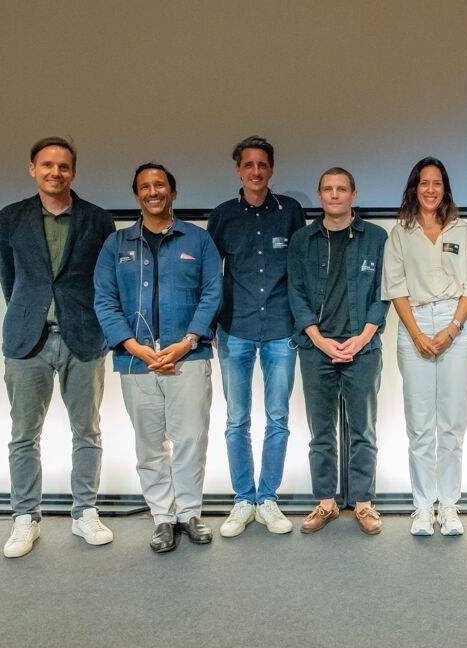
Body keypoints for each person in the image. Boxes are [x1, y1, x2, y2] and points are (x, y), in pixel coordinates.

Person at [0, 136, 116, 558]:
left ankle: (85, 512)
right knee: (23, 436)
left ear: (73, 172)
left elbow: (106, 281)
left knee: (88, 431)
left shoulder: (98, 220)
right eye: (47, 165)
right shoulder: (11, 217)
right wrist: (32, 312)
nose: (55, 172)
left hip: (84, 338)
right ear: (33, 169)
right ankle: (25, 517)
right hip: (28, 340)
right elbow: (9, 279)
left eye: (63, 166)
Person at [94, 163, 222, 554]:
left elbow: (212, 293)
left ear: (173, 192)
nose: (153, 192)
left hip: (189, 356)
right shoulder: (116, 245)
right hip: (136, 362)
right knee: (150, 446)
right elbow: (104, 299)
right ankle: (163, 519)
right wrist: (134, 347)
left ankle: (189, 513)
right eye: (145, 187)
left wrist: (185, 343)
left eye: (160, 185)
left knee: (190, 440)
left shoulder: (198, 241)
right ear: (137, 196)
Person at [206, 136, 305, 538]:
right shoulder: (223, 215)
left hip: (282, 328)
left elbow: (302, 270)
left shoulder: (291, 212)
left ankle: (268, 498)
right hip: (236, 329)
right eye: (248, 165)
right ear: (238, 170)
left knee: (278, 418)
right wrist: (210, 325)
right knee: (236, 419)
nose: (256, 171)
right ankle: (243, 499)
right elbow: (210, 275)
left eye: (262, 164)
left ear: (271, 169)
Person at [382, 157, 467, 536]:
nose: (430, 189)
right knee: (420, 423)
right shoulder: (401, 233)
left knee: (452, 421)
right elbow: (396, 289)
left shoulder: (461, 230)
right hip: (415, 324)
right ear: (414, 188)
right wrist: (417, 334)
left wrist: (453, 328)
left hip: (456, 323)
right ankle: (423, 507)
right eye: (424, 183)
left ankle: (450, 505)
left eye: (437, 183)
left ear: (445, 189)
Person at [289, 168, 389, 535]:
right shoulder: (302, 240)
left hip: (363, 349)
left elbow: (384, 292)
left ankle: (363, 503)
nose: (334, 195)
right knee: (321, 431)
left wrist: (362, 338)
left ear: (353, 194)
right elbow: (296, 294)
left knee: (363, 429)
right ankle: (326, 503)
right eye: (328, 190)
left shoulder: (376, 238)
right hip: (316, 350)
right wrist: (318, 338)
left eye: (341, 189)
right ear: (320, 195)